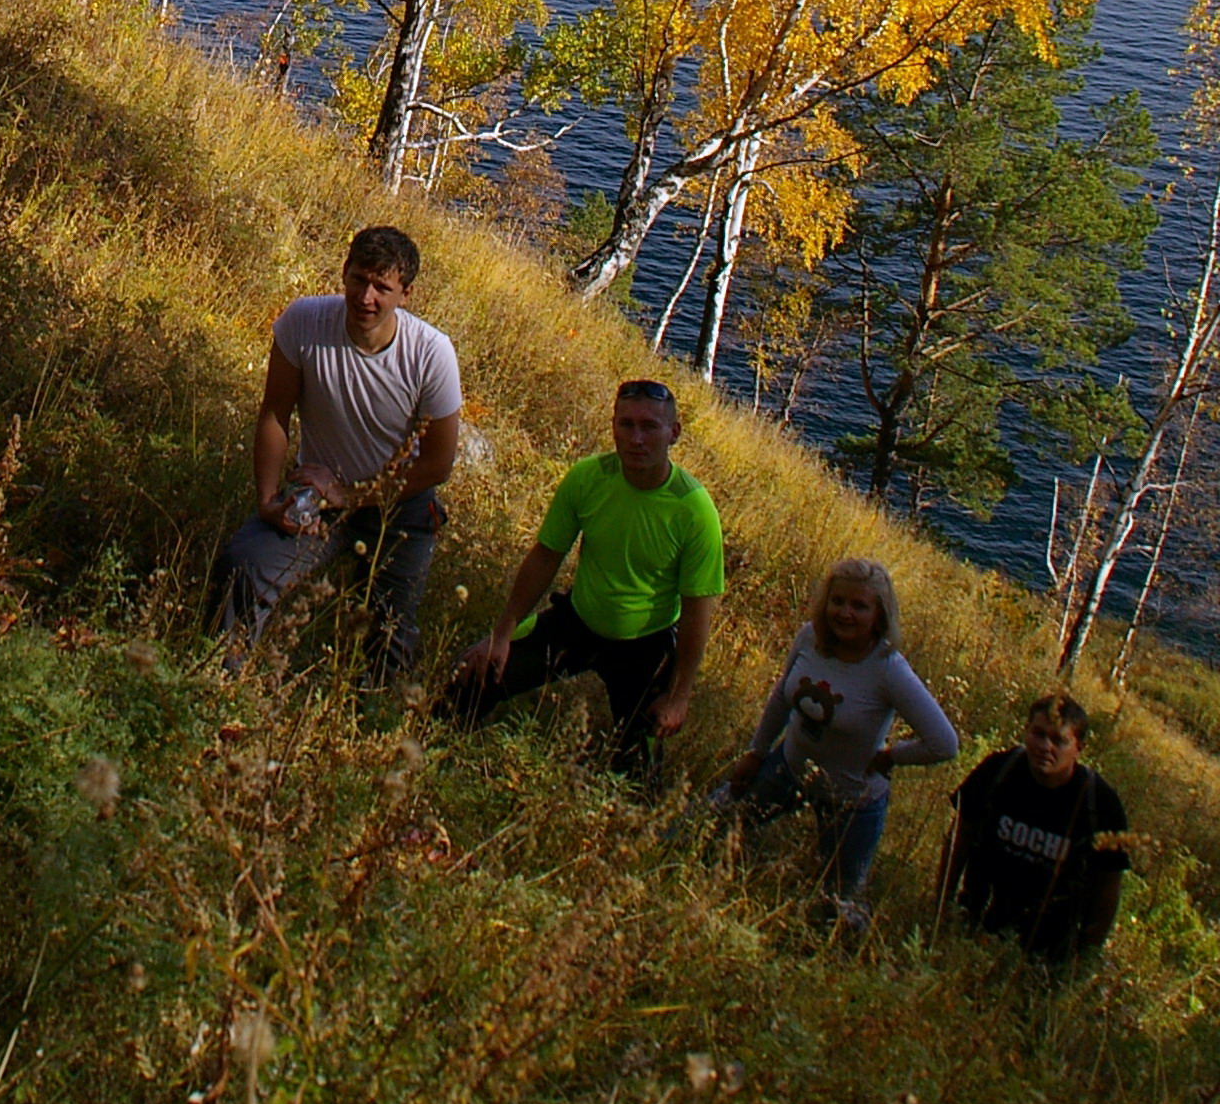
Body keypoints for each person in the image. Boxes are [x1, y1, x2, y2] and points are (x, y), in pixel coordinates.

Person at [208, 226, 461, 680]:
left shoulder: (431, 353)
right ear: (343, 274)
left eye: (382, 287)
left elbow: (438, 463)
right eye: (359, 280)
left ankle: (369, 723)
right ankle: (220, 682)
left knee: (390, 635)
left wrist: (352, 494)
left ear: (406, 293)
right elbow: (274, 415)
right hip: (317, 495)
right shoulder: (304, 323)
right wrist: (268, 502)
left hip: (397, 506)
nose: (366, 297)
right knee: (244, 567)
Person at [444, 379, 724, 781]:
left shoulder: (694, 510)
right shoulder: (589, 479)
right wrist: (502, 633)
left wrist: (679, 694)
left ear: (673, 433)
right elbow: (545, 556)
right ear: (612, 426)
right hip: (578, 621)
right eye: (626, 425)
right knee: (472, 680)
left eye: (650, 427)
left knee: (638, 769)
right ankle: (434, 761)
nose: (636, 438)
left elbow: (698, 611)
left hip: (646, 644)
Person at [711, 556, 957, 932]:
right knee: (715, 821)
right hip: (788, 769)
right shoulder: (811, 636)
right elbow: (781, 696)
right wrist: (756, 751)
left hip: (852, 800)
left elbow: (944, 743)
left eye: (860, 606)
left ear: (879, 615)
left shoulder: (888, 668)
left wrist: (890, 757)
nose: (845, 613)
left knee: (841, 910)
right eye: (838, 601)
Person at [938, 691, 1131, 963]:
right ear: (1026, 731)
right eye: (1038, 734)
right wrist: (941, 905)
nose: (1045, 746)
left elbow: (1108, 888)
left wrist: (1086, 958)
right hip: (974, 925)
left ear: (1079, 748)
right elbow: (960, 837)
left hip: (1048, 951)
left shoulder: (1101, 806)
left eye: (1059, 740)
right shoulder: (998, 771)